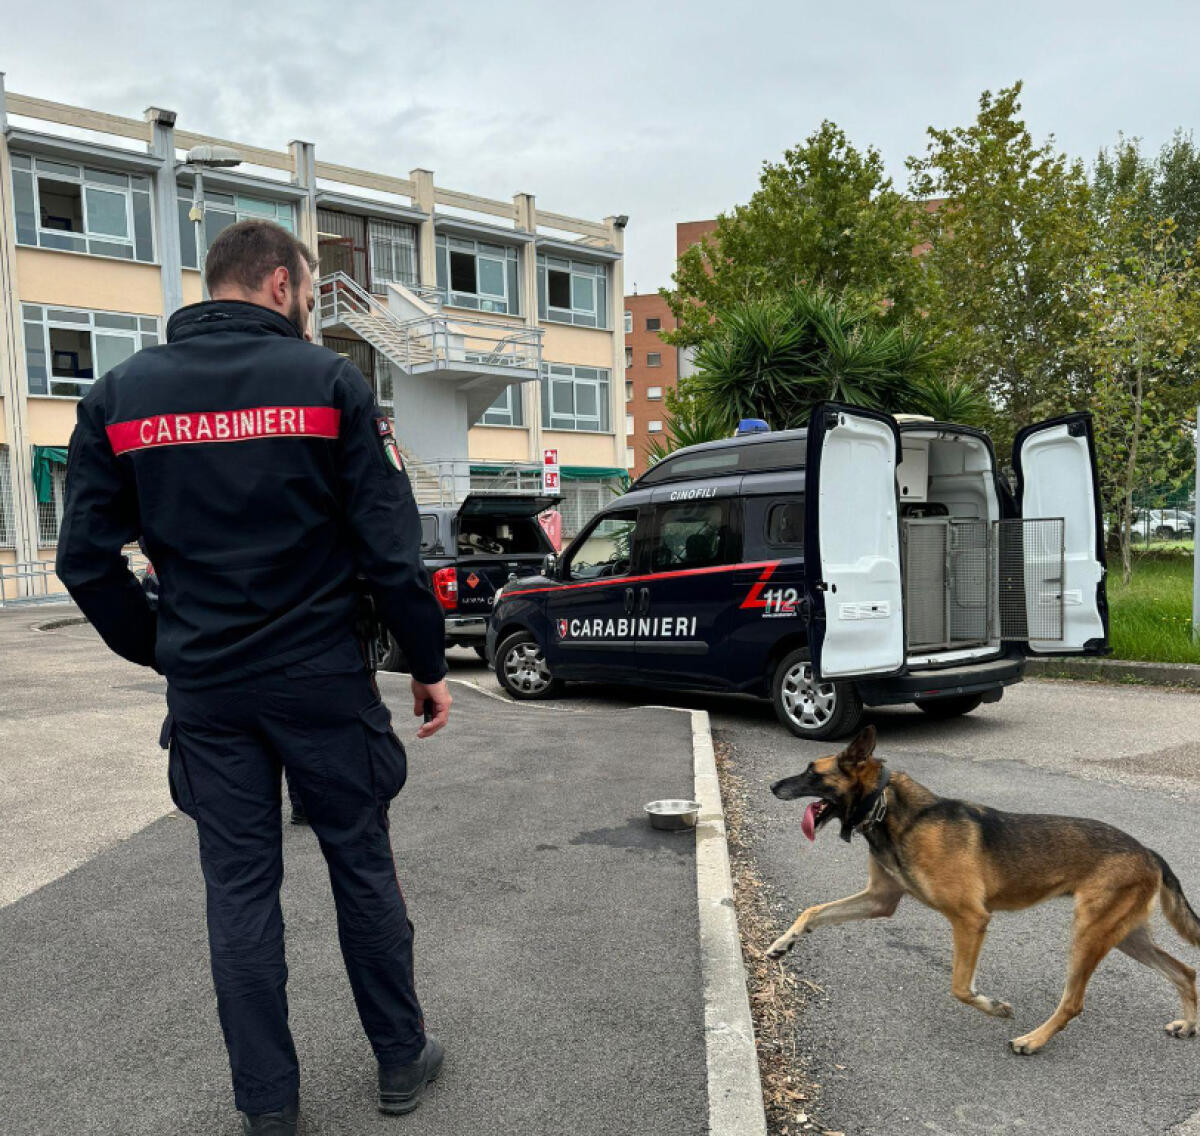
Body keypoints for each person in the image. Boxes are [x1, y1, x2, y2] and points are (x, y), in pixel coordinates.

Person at [56, 219, 452, 1135]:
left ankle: (268, 1108)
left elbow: (85, 559)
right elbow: (392, 553)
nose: (310, 311)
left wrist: (163, 646)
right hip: (320, 675)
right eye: (311, 296)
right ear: (280, 284)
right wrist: (427, 665)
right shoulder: (330, 384)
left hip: (211, 692)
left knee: (238, 893)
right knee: (361, 866)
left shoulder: (119, 397)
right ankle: (400, 1059)